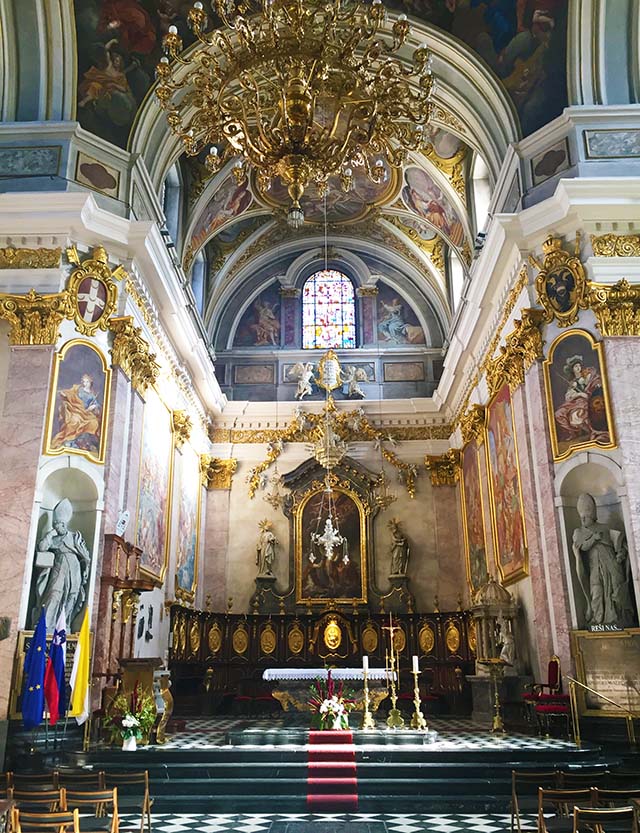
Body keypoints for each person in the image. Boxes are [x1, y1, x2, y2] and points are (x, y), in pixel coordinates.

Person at [572, 493, 636, 628]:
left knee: (616, 591)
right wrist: (593, 539)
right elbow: (581, 547)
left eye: (586, 517)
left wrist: (620, 554)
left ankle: (619, 618)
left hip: (612, 565)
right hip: (595, 569)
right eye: (582, 517)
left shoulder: (605, 527)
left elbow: (619, 542)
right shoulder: (579, 532)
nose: (584, 519)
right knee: (596, 593)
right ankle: (598, 619)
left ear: (593, 515)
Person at [34, 499, 91, 631]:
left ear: (64, 525)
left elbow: (85, 554)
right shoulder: (53, 539)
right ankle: (46, 625)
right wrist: (49, 534)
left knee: (72, 595)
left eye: (58, 525)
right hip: (59, 566)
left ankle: (64, 625)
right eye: (54, 525)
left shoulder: (74, 537)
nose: (56, 527)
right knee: (54, 593)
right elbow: (42, 548)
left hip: (74, 566)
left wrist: (86, 566)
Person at [554, 355, 609, 443]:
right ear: (572, 369)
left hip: (588, 399)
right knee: (559, 413)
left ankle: (592, 431)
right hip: (576, 401)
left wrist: (587, 388)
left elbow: (594, 381)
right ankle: (572, 433)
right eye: (576, 366)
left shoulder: (586, 375)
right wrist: (579, 393)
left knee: (579, 412)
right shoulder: (573, 382)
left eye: (579, 365)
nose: (578, 368)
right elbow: (568, 396)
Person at [52, 373, 102, 453]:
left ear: (90, 383)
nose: (85, 384)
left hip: (86, 413)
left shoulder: (92, 395)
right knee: (74, 420)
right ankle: (68, 439)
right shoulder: (79, 389)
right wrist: (65, 394)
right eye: (84, 382)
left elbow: (96, 405)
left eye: (87, 382)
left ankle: (83, 441)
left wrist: (93, 407)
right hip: (75, 409)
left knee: (94, 423)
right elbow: (71, 394)